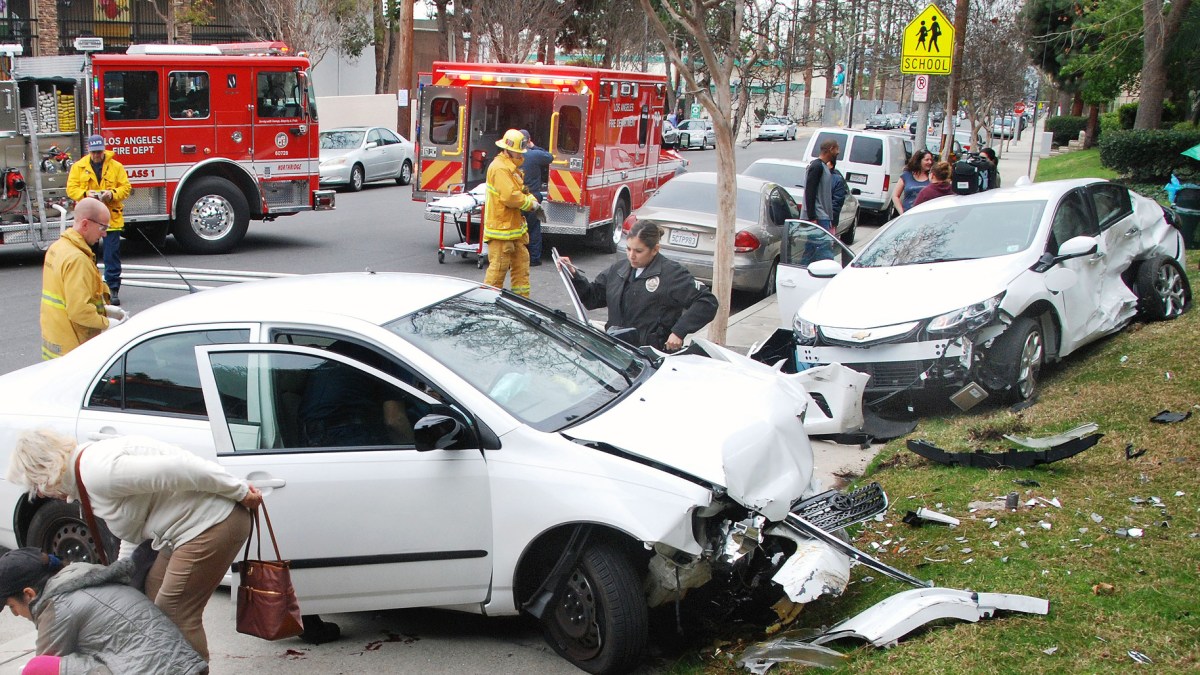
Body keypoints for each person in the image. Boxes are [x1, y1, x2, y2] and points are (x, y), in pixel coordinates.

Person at [5, 429, 264, 662]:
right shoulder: (85, 475)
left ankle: (187, 669)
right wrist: (123, 574)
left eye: (36, 485)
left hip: (212, 523)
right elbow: (132, 525)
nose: (39, 494)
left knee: (174, 611)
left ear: (47, 469)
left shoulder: (97, 472)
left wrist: (240, 491)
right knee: (148, 591)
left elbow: (179, 468)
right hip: (183, 530)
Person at [0, 548, 207, 675]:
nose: (16, 614)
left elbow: (46, 663)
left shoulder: (58, 605)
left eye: (11, 607)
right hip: (184, 667)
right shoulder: (87, 577)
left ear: (28, 594)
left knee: (37, 668)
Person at [560, 221, 718, 352]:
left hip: (651, 354)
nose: (631, 256)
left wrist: (679, 331)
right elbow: (593, 298)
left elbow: (707, 301)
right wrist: (574, 275)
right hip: (616, 349)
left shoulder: (671, 274)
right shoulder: (619, 270)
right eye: (628, 249)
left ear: (655, 249)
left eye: (638, 251)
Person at [39, 197, 125, 361]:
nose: (104, 233)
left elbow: (67, 296)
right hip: (73, 350)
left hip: (56, 340)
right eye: (102, 227)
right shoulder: (77, 259)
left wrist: (105, 310)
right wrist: (107, 324)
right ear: (85, 224)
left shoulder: (57, 248)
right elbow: (79, 311)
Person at [66, 135, 131, 306]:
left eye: (99, 152)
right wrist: (87, 195)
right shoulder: (79, 167)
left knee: (112, 256)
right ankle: (90, 288)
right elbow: (71, 189)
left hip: (111, 218)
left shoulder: (116, 166)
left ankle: (113, 289)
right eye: (94, 152)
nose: (96, 155)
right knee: (88, 255)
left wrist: (112, 194)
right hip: (89, 220)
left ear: (103, 150)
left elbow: (126, 188)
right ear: (89, 150)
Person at [483, 129, 540, 298]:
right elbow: (510, 197)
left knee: (521, 266)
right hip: (501, 231)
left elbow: (520, 189)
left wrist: (531, 197)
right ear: (508, 150)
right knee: (498, 271)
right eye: (517, 152)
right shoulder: (500, 168)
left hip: (513, 230)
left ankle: (522, 303)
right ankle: (486, 304)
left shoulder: (511, 167)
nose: (520, 155)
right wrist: (531, 204)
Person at [519, 130, 554, 266]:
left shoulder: (511, 157)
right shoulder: (535, 155)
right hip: (533, 196)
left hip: (517, 197)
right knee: (534, 228)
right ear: (528, 140)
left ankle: (515, 258)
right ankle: (534, 259)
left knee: (516, 228)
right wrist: (533, 147)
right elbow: (549, 157)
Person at [805, 139, 839, 233]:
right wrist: (812, 217)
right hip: (818, 217)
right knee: (821, 246)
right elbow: (810, 191)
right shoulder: (817, 166)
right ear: (831, 149)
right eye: (837, 149)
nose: (838, 152)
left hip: (823, 216)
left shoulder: (824, 167)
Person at [891, 149, 933, 215]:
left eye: (931, 160)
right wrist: (902, 213)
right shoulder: (906, 175)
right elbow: (895, 196)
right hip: (908, 215)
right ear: (919, 161)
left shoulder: (933, 176)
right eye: (927, 160)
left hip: (925, 215)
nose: (930, 162)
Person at [827, 156, 848, 228]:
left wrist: (830, 218)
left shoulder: (837, 180)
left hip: (829, 220)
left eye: (827, 162)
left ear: (831, 165)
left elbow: (837, 201)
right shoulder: (817, 176)